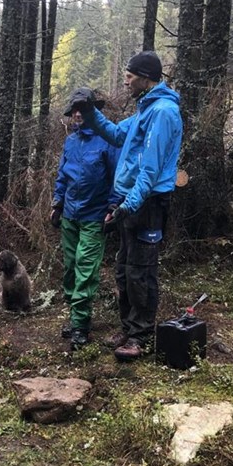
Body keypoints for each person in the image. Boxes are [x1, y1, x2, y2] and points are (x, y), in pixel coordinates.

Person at [77, 51, 183, 360]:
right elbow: (115, 134)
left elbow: (150, 169)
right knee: (124, 270)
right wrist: (90, 112)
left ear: (147, 77)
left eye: (130, 75)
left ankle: (140, 336)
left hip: (147, 203)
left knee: (141, 272)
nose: (126, 79)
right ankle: (128, 327)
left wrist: (129, 204)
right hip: (130, 201)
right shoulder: (144, 110)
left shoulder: (163, 112)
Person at [51, 89, 119, 350]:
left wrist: (113, 207)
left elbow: (116, 178)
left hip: (94, 216)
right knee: (70, 267)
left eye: (83, 110)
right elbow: (62, 176)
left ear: (93, 111)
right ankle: (74, 315)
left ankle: (81, 324)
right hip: (70, 215)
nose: (78, 115)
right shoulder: (71, 142)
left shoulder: (107, 141)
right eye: (74, 111)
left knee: (85, 268)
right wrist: (57, 203)